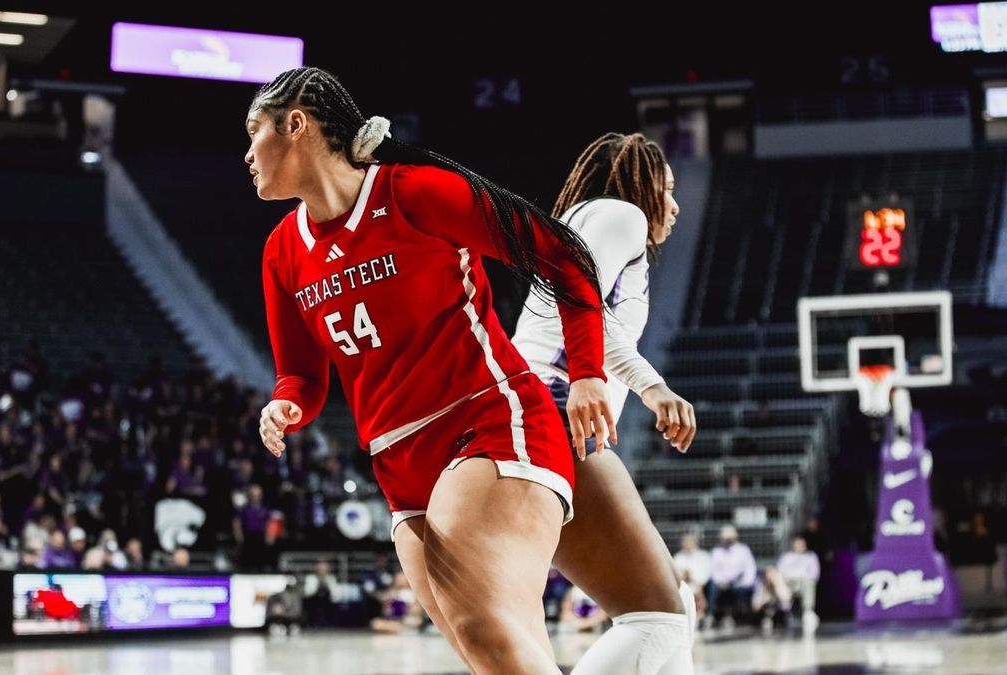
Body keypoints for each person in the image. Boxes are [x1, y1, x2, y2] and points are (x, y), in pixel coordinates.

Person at [249, 67, 611, 673]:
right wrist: (286, 403)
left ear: (296, 125)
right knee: (493, 654)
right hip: (396, 464)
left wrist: (588, 372)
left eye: (253, 131)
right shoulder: (281, 251)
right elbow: (304, 377)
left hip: (488, 422)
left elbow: (561, 253)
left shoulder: (413, 193)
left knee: (481, 625)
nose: (246, 153)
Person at [512, 132, 696, 673]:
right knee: (658, 619)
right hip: (552, 406)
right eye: (666, 189)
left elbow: (583, 305)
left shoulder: (587, 218)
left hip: (533, 406)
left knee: (675, 605)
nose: (674, 205)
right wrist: (652, 386)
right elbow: (580, 304)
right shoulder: (622, 216)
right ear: (638, 186)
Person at [708, 524, 756, 629]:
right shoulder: (716, 551)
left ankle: (735, 616)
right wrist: (721, 581)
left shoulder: (743, 550)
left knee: (736, 588)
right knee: (713, 586)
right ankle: (712, 614)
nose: (727, 541)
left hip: (739, 582)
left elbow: (750, 570)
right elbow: (713, 571)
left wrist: (744, 583)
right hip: (721, 583)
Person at [776, 534, 820, 633]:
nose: (800, 546)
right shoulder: (786, 557)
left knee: (808, 583)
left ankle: (808, 612)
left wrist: (802, 578)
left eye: (801, 544)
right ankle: (784, 612)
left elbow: (814, 573)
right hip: (788, 582)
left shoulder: (810, 556)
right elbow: (780, 571)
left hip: (804, 582)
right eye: (797, 544)